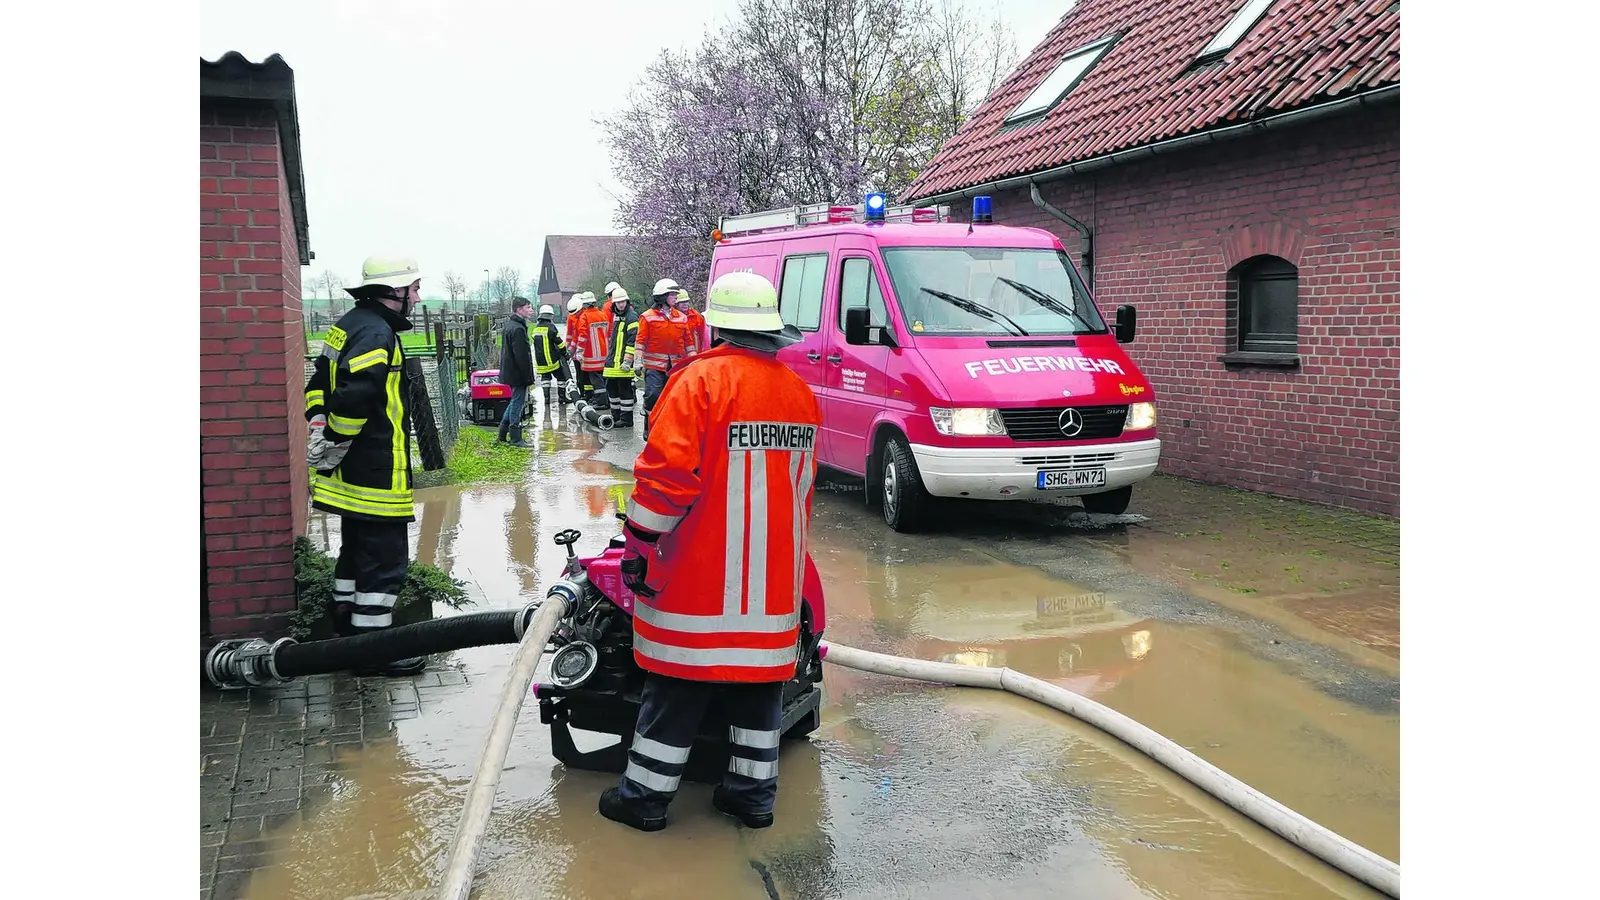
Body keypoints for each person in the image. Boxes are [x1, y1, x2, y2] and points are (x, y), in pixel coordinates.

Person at [600, 271, 822, 833]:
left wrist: (639, 543)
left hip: (700, 581)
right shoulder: (799, 394)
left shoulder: (699, 383)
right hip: (772, 584)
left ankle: (644, 800)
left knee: (676, 684)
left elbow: (665, 481)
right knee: (759, 690)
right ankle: (751, 800)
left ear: (717, 325)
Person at [303, 254, 429, 677]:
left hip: (347, 475)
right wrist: (337, 437)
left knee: (355, 554)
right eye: (413, 288)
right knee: (384, 561)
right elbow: (358, 395)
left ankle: (347, 635)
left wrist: (321, 427)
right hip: (375, 470)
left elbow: (317, 383)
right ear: (394, 292)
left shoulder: (346, 325)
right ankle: (375, 652)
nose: (416, 295)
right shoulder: (377, 334)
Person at [636, 278, 691, 438]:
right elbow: (640, 341)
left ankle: (669, 430)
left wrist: (694, 360)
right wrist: (638, 362)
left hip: (676, 366)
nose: (676, 297)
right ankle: (649, 422)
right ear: (662, 296)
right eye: (672, 294)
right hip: (655, 367)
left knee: (675, 398)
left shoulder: (681, 317)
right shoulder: (647, 317)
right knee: (653, 395)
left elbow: (688, 342)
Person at [497, 296, 537, 448]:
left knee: (514, 401)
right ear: (519, 309)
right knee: (517, 403)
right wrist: (528, 378)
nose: (531, 310)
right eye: (528, 307)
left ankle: (502, 434)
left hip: (511, 371)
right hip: (517, 373)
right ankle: (515, 438)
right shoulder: (518, 329)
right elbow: (521, 356)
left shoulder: (511, 325)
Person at [600, 287, 642, 426]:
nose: (621, 304)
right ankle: (616, 416)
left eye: (623, 302)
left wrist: (627, 360)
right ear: (614, 303)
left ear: (627, 301)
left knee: (625, 392)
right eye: (618, 302)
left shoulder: (632, 317)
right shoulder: (616, 316)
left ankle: (626, 419)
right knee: (612, 389)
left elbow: (633, 340)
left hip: (624, 363)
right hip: (613, 362)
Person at [532, 303, 570, 407]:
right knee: (561, 377)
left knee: (545, 378)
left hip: (540, 361)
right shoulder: (551, 327)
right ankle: (562, 398)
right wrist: (565, 353)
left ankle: (547, 399)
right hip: (552, 360)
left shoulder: (536, 329)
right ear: (550, 316)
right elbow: (559, 342)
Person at [576, 290, 610, 404]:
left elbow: (583, 336)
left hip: (591, 355)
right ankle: (606, 399)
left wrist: (579, 352)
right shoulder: (603, 315)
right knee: (603, 378)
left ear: (584, 304)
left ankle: (601, 401)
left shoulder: (584, 317)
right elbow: (609, 334)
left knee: (596, 380)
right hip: (605, 353)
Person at [675, 290, 708, 358]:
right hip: (677, 357)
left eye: (686, 301)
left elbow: (704, 337)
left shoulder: (695, 316)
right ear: (676, 304)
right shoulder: (671, 317)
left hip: (694, 355)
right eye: (682, 302)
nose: (685, 304)